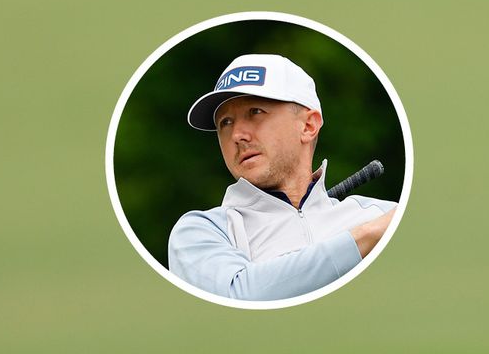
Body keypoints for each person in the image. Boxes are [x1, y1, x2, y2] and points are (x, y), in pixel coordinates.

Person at [168, 54, 396, 301]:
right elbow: (238, 297)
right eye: (225, 122)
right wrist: (367, 236)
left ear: (308, 126)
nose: (237, 135)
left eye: (255, 112)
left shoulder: (378, 214)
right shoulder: (200, 232)